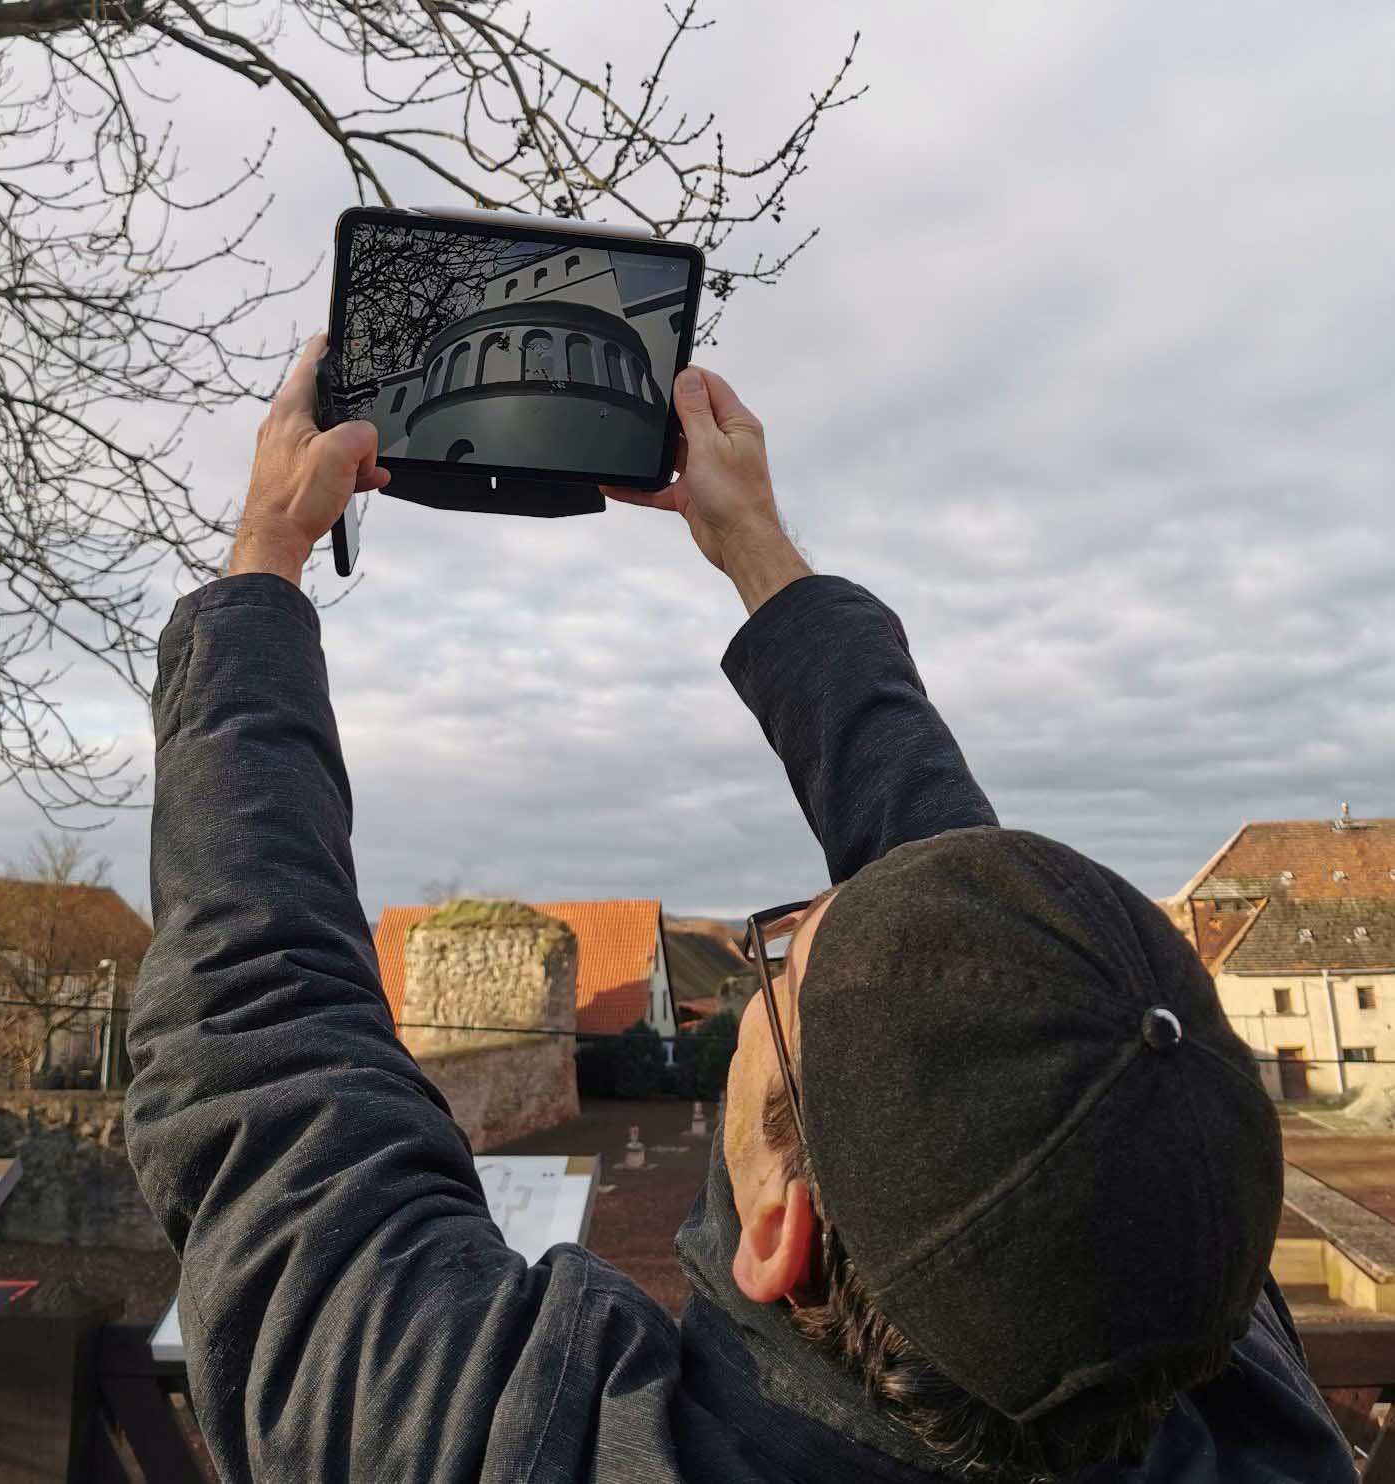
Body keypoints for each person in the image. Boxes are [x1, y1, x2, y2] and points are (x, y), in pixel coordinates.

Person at [125, 336, 1356, 1483]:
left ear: (783, 1227)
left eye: (786, 963)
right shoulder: (1230, 1393)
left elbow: (263, 1022)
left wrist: (263, 559)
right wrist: (758, 548)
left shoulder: (530, 1444)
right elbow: (975, 937)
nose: (823, 916)